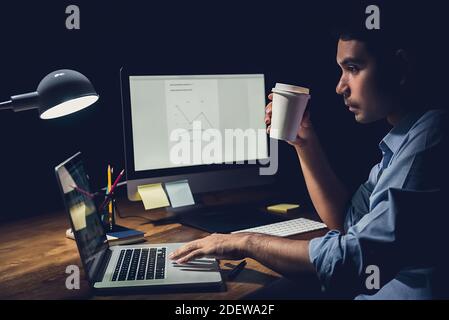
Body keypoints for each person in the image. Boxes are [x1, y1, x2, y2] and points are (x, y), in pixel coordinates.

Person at [169, 2, 449, 299]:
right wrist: (304, 142)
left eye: (353, 68)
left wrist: (245, 242)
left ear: (401, 67)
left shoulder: (430, 142)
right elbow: (346, 222)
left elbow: (353, 257)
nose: (341, 86)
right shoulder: (402, 141)